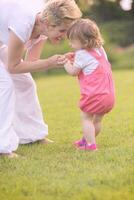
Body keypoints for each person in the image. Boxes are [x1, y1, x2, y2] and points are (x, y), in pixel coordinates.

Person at [0, 0, 82, 157]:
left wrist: (55, 62)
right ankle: (2, 148)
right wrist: (49, 62)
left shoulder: (42, 28)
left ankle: (32, 136)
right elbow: (13, 66)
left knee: (26, 83)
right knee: (5, 85)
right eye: (62, 30)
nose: (65, 36)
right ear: (47, 23)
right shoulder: (23, 23)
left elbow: (31, 63)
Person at [63, 19, 115, 151]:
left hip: (94, 95)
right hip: (108, 95)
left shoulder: (81, 54)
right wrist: (75, 57)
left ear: (85, 42)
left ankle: (91, 146)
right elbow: (89, 62)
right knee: (97, 121)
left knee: (86, 118)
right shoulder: (100, 49)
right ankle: (86, 140)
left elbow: (73, 72)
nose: (70, 44)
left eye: (73, 41)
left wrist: (65, 62)